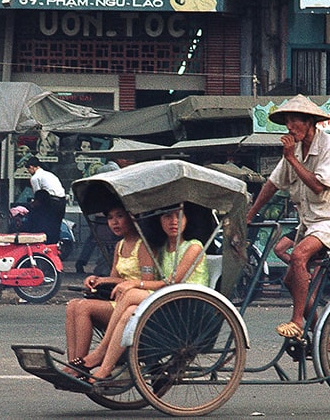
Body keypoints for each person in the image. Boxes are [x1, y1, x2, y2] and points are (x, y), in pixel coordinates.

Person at [245, 94, 330, 340]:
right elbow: (273, 183)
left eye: (294, 121)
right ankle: (321, 336)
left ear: (309, 122)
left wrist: (291, 158)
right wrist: (250, 214)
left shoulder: (329, 146)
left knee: (298, 255)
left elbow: (318, 186)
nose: (289, 126)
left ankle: (296, 322)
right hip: (309, 223)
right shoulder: (293, 150)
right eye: (287, 121)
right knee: (290, 281)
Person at [73, 204, 210, 382]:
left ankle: (100, 352)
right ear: (159, 221)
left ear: (187, 219)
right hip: (165, 299)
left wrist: (135, 283)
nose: (173, 222)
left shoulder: (193, 247)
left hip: (186, 302)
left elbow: (172, 282)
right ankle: (105, 368)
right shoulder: (162, 248)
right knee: (129, 312)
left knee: (130, 293)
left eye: (179, 216)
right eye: (167, 217)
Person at [63, 204, 153, 375]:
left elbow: (148, 281)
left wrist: (117, 282)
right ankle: (73, 362)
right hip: (118, 300)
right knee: (72, 305)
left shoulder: (142, 246)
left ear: (131, 218)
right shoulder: (120, 246)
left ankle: (82, 367)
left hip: (135, 302)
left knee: (83, 307)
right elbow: (114, 278)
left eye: (119, 216)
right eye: (110, 218)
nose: (114, 222)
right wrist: (97, 280)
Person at [25, 156, 66, 244]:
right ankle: (54, 245)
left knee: (45, 226)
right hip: (62, 202)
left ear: (31, 167)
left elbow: (38, 196)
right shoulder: (49, 174)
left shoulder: (35, 178)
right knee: (56, 227)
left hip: (51, 203)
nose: (29, 172)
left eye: (28, 169)